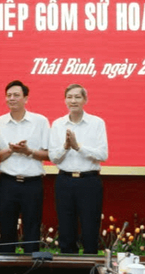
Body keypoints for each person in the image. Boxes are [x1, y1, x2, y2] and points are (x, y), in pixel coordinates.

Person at [0, 80, 50, 253]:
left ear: (26, 98)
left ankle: (31, 268)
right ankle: (7, 267)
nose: (12, 99)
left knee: (32, 227)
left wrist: (28, 151)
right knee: (6, 229)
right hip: (8, 183)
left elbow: (49, 155)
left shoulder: (40, 121)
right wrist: (11, 150)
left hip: (33, 183)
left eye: (16, 95)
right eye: (8, 95)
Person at [48, 84, 108, 254]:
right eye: (69, 97)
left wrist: (78, 146)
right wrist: (66, 146)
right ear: (65, 100)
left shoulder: (96, 123)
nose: (73, 101)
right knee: (66, 230)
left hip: (89, 181)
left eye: (77, 97)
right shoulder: (58, 124)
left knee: (90, 228)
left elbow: (102, 155)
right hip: (64, 181)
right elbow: (53, 157)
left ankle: (91, 267)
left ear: (85, 100)